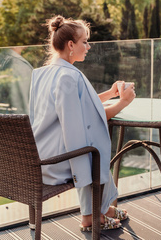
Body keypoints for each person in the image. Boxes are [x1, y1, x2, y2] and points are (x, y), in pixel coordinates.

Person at [29, 15, 136, 231]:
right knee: (92, 149)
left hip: (38, 155)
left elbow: (79, 106)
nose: (88, 46)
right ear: (70, 45)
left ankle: (102, 209)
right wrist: (123, 102)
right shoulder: (69, 77)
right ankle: (92, 216)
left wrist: (109, 94)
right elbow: (87, 120)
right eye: (84, 42)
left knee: (90, 148)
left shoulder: (43, 73)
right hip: (56, 163)